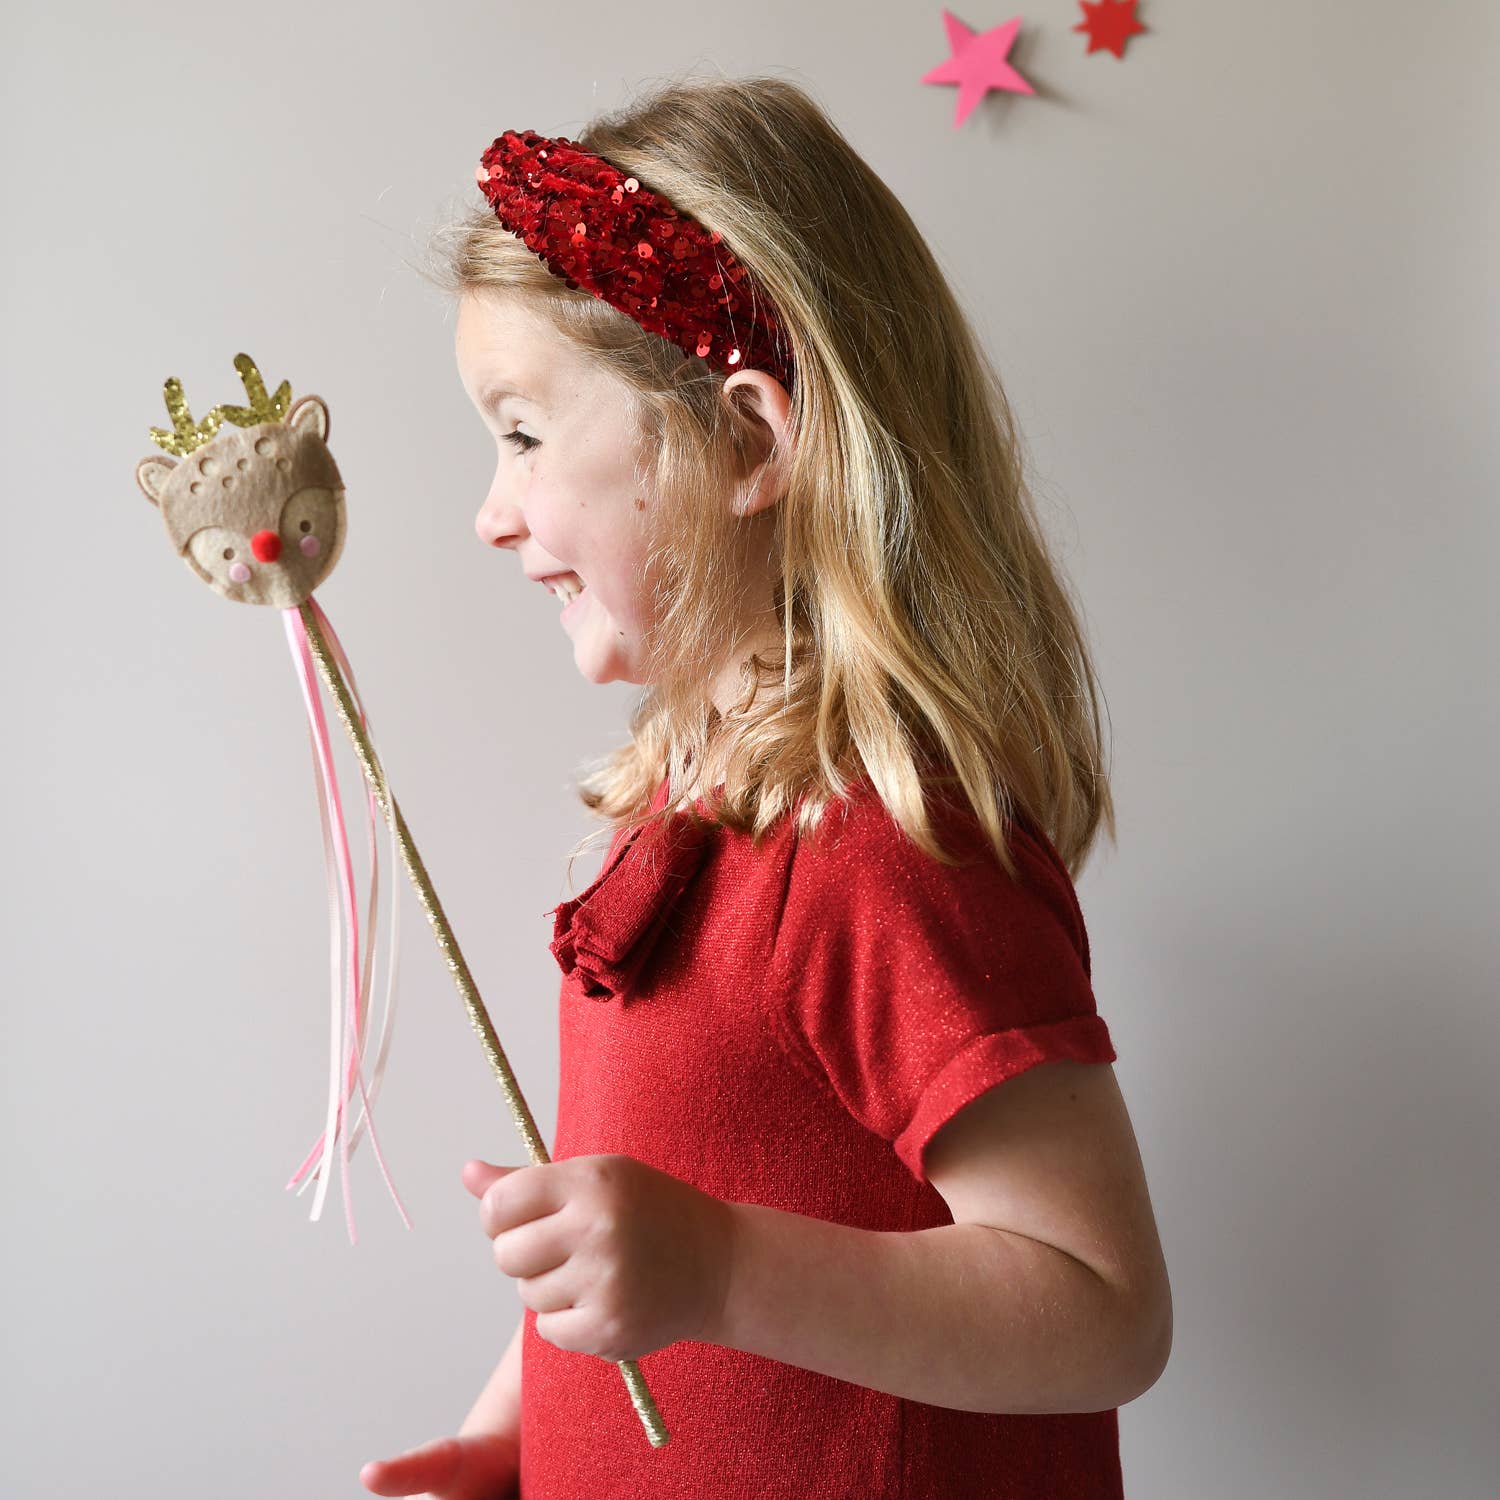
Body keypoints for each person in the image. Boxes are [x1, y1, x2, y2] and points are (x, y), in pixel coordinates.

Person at [360, 71, 1171, 1500]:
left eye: (526, 435)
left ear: (744, 442)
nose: (492, 513)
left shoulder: (882, 849)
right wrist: (518, 1426)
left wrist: (720, 1267)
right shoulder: (693, 809)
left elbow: (1103, 1307)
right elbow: (639, 1205)